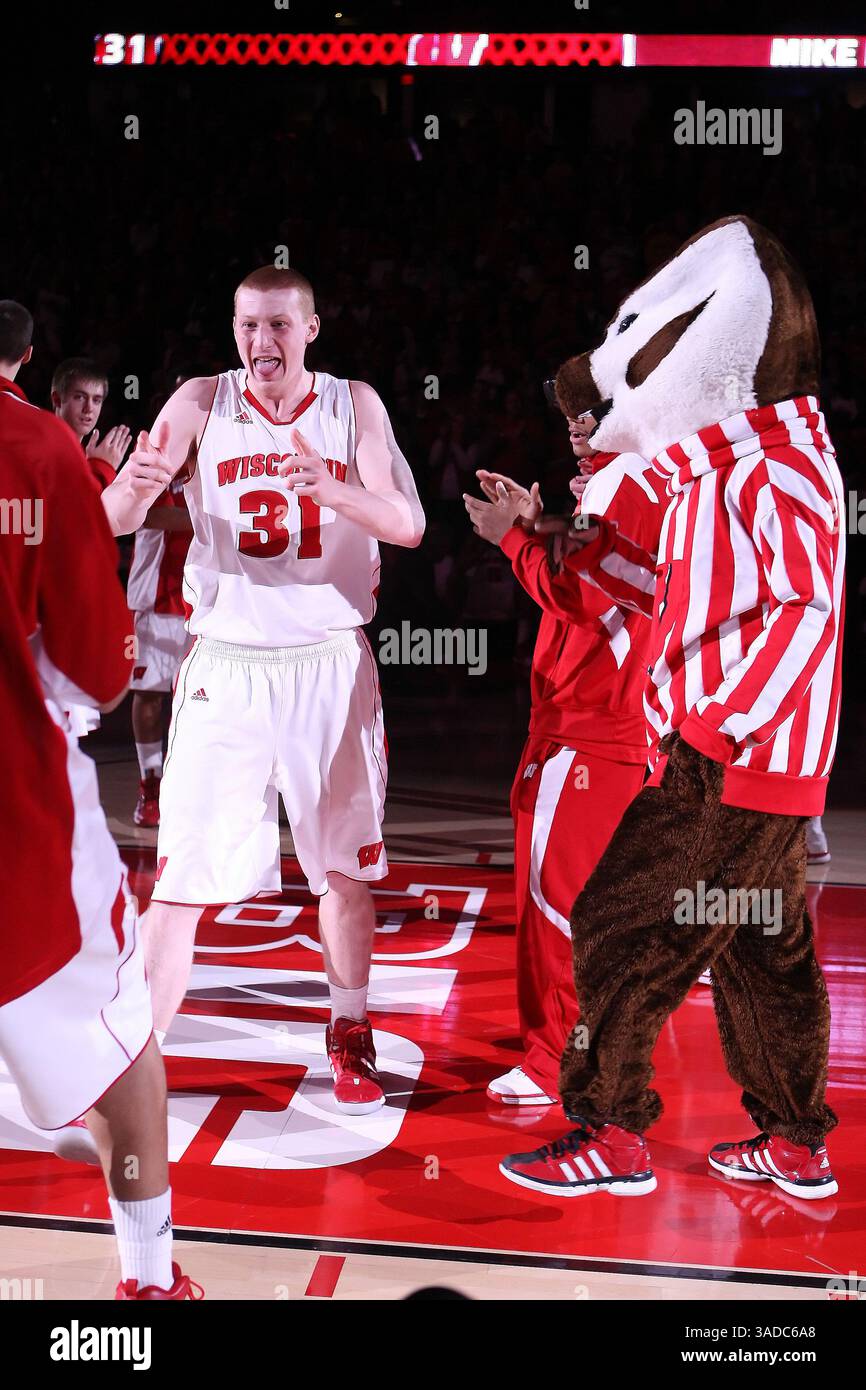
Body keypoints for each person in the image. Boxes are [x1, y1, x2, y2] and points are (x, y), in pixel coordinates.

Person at [110, 265, 425, 1112]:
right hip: (228, 667)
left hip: (327, 660)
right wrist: (111, 489)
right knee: (178, 882)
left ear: (311, 330)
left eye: (280, 326)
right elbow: (121, 512)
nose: (262, 343)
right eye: (249, 326)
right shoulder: (199, 401)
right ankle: (139, 1052)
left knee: (344, 874)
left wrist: (338, 491)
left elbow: (409, 524)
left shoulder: (352, 404)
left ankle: (349, 1028)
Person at [0, 300, 200, 1299]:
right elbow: (94, 673)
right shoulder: (36, 450)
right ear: (27, 364)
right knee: (128, 1064)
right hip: (16, 808)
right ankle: (148, 1281)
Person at [463, 416, 665, 1104]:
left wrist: (514, 537)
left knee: (556, 905)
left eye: (593, 408)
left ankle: (560, 1058)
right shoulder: (630, 478)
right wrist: (539, 521)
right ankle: (590, 1042)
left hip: (589, 727)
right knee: (589, 902)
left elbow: (577, 592)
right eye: (570, 412)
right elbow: (595, 572)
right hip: (600, 724)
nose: (578, 425)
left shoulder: (626, 479)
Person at [51, 356, 131, 489]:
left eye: (96, 400)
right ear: (57, 399)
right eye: (80, 397)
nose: (88, 409)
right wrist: (102, 468)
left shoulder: (83, 456)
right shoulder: (42, 448)